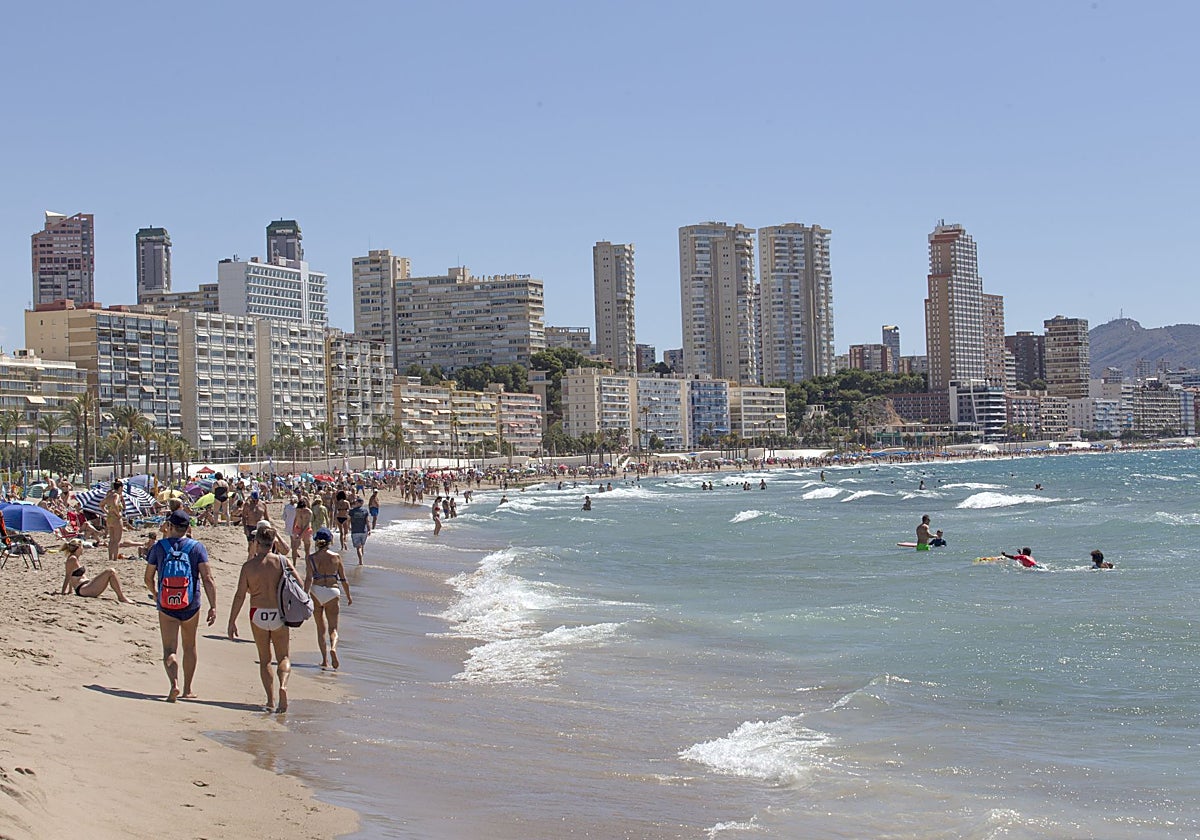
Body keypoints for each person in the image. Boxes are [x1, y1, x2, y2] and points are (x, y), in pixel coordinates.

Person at [144, 510, 218, 702]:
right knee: (190, 645)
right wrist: (213, 606)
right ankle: (187, 689)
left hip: (166, 604)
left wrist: (156, 594)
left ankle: (174, 684)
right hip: (190, 603)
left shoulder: (159, 547)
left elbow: (148, 577)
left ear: (169, 527)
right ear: (188, 528)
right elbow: (208, 578)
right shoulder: (197, 548)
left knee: (169, 650)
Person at [227, 522, 294, 713]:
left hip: (257, 613)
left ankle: (270, 700)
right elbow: (297, 584)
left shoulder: (248, 566)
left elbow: (240, 595)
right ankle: (283, 685)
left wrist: (232, 621)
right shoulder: (282, 562)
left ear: (256, 543)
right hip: (279, 613)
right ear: (273, 542)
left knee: (265, 660)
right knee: (283, 656)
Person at [304, 527, 352, 669]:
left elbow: (308, 579)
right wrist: (348, 596)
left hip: (316, 591)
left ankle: (324, 660)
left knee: (320, 628)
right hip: (332, 591)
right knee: (333, 628)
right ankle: (333, 648)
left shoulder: (311, 558)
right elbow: (343, 579)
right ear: (330, 540)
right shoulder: (336, 557)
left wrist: (304, 595)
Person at [60, 538, 129, 601]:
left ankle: (121, 596)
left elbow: (72, 575)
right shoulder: (72, 559)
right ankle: (121, 597)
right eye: (82, 547)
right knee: (110, 571)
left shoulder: (75, 558)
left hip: (86, 586)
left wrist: (70, 591)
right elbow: (68, 576)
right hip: (83, 589)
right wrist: (63, 593)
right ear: (78, 548)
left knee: (111, 572)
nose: (83, 549)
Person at [101, 480, 125, 564]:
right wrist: (117, 513)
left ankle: (110, 557)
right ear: (120, 487)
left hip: (109, 518)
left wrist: (107, 512)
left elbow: (101, 504)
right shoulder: (116, 495)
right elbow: (115, 504)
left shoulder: (109, 495)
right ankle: (115, 558)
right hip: (116, 518)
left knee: (111, 539)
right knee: (117, 540)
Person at [348, 497, 371, 564]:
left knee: (358, 547)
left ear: (357, 503)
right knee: (361, 546)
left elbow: (348, 520)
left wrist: (349, 527)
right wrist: (369, 530)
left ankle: (360, 561)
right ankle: (361, 558)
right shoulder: (365, 511)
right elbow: (367, 521)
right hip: (364, 531)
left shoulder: (352, 511)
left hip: (355, 531)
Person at [290, 497, 313, 562]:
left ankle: (307, 565)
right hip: (298, 528)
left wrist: (301, 535)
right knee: (294, 547)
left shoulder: (309, 512)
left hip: (306, 530)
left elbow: (307, 524)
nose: (301, 511)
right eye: (299, 509)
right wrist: (293, 528)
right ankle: (294, 563)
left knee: (307, 549)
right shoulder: (297, 510)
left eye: (302, 509)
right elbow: (295, 519)